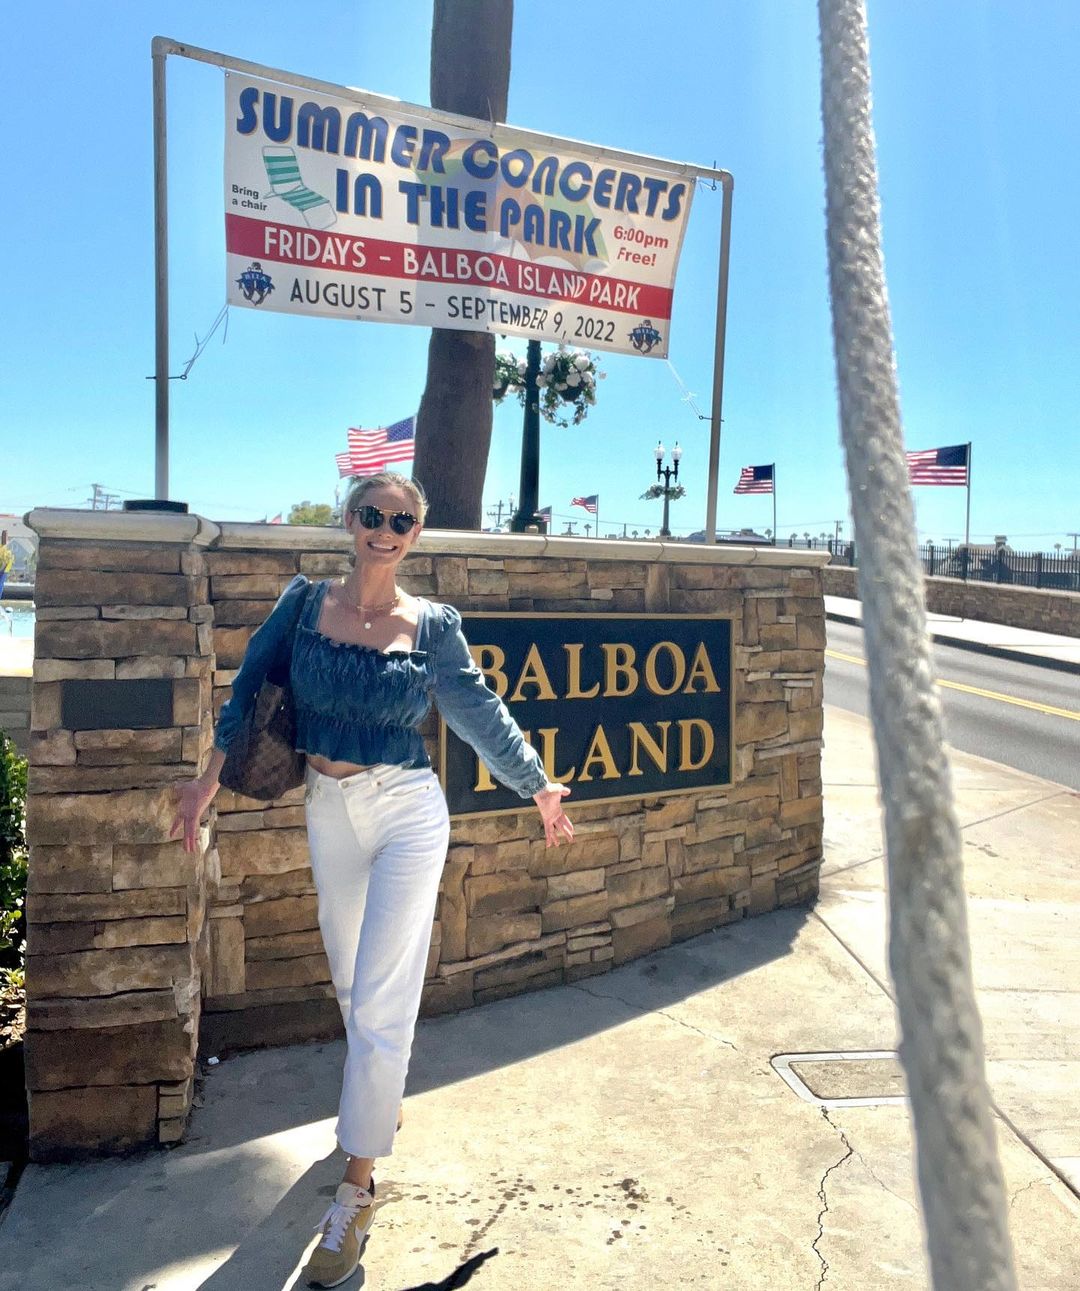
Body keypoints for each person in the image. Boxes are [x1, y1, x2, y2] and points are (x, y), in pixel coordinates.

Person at [171, 472, 573, 1287]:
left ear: (416, 533)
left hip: (407, 813)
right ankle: (375, 1102)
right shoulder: (304, 605)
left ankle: (355, 1191)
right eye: (372, 514)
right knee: (353, 982)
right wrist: (207, 782)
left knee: (384, 997)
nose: (384, 529)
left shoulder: (431, 627)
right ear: (350, 520)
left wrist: (534, 782)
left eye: (401, 519)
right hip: (329, 810)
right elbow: (247, 692)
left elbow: (477, 708)